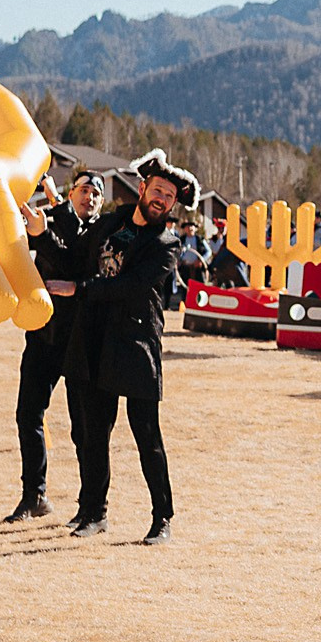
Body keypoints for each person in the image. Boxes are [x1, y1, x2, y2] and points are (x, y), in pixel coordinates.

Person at [63, 151, 194, 545]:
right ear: (142, 188)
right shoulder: (110, 222)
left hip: (136, 342)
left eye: (169, 197)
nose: (161, 200)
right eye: (157, 191)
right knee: (92, 432)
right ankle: (93, 512)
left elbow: (132, 286)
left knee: (146, 435)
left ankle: (162, 518)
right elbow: (77, 256)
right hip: (95, 338)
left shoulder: (166, 244)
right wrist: (38, 235)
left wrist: (81, 290)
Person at [6, 172, 115, 522]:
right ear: (73, 193)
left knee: (83, 428)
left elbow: (75, 262)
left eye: (97, 193)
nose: (91, 197)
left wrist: (49, 219)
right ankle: (33, 495)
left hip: (79, 341)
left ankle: (89, 507)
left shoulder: (104, 232)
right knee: (28, 414)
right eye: (85, 190)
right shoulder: (45, 220)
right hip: (42, 334)